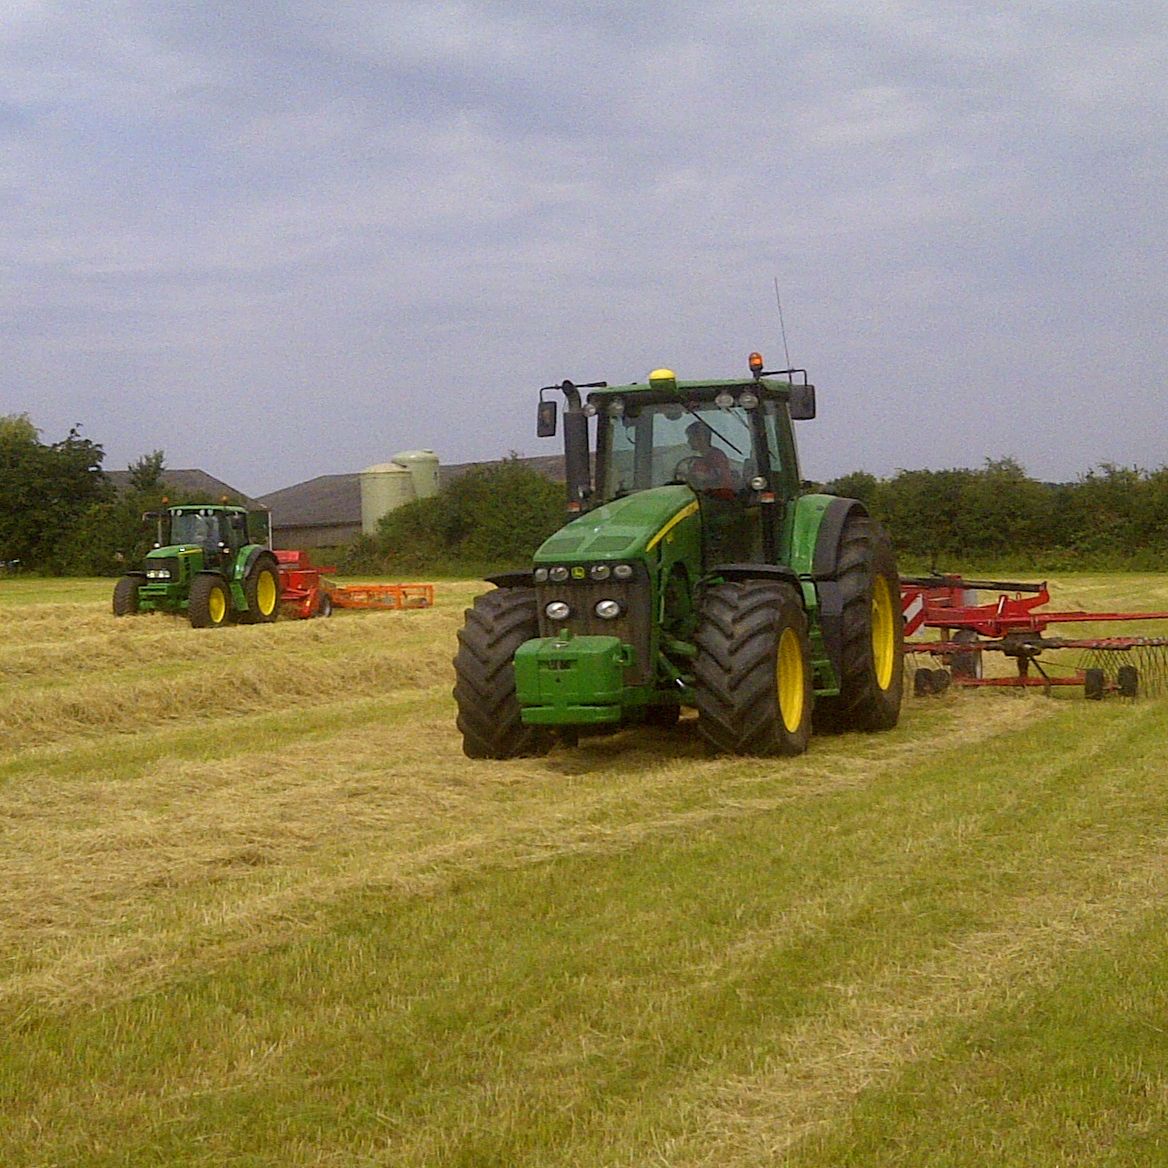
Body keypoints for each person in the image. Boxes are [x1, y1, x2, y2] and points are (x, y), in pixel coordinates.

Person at [683, 421, 735, 493]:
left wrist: (702, 477)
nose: (688, 441)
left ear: (701, 438)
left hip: (718, 495)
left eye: (691, 438)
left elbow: (722, 479)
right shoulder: (697, 460)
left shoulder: (716, 456)